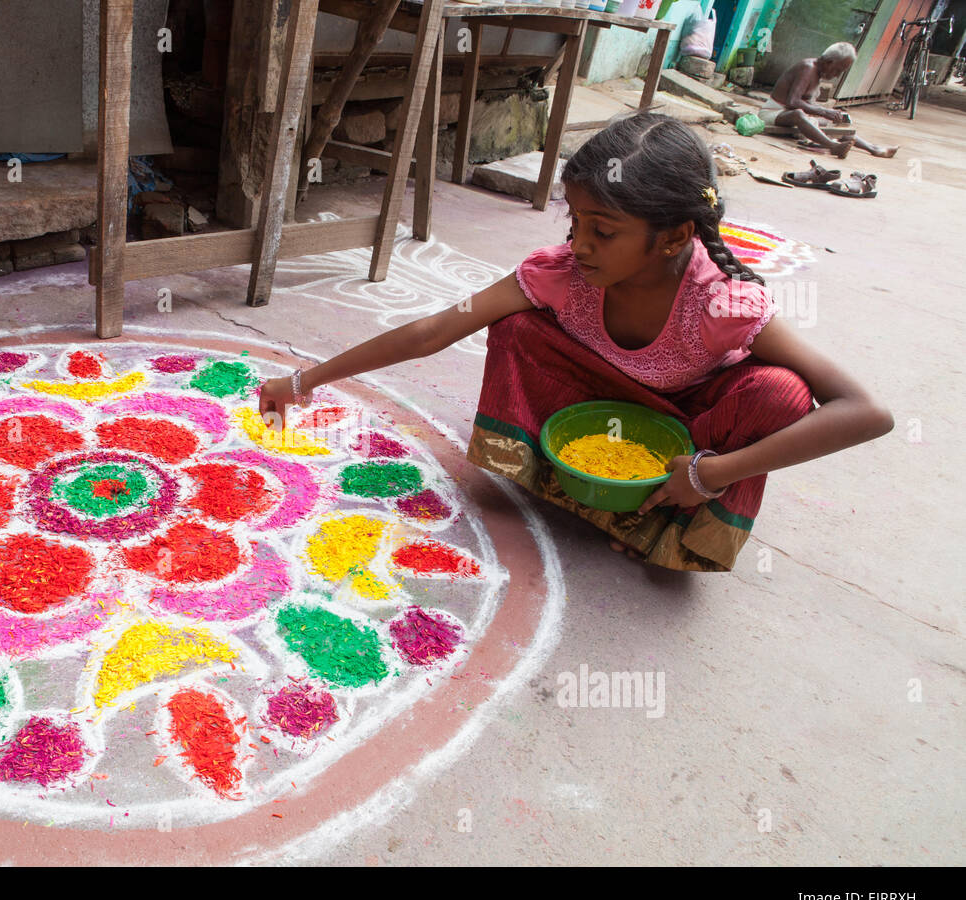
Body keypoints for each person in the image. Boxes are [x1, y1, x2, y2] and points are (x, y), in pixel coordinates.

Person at [257, 113, 894, 572]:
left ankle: (668, 521)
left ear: (673, 237)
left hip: (685, 439)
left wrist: (710, 473)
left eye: (603, 230)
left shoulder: (720, 303)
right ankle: (576, 493)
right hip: (599, 411)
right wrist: (303, 381)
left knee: (780, 392)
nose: (580, 244)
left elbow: (868, 413)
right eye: (575, 221)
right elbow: (433, 330)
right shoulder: (565, 273)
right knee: (514, 322)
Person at [762, 42, 899, 158]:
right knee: (799, 114)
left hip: (790, 116)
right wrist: (822, 111)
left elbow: (806, 103)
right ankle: (832, 146)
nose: (837, 75)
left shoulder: (817, 72)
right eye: (837, 70)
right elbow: (792, 102)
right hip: (773, 113)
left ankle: (872, 148)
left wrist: (828, 114)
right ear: (828, 62)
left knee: (833, 124)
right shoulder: (808, 68)